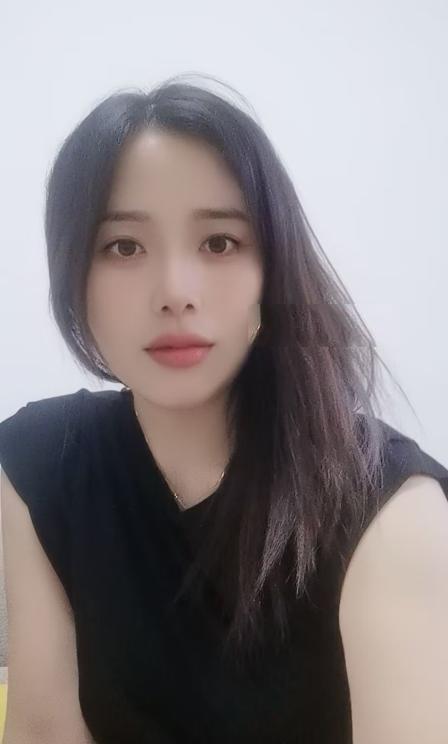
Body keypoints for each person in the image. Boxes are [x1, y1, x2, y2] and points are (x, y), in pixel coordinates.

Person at [0, 73, 447, 744]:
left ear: (273, 271)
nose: (175, 291)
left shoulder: (389, 506)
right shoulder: (41, 464)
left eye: (219, 243)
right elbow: (43, 726)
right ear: (74, 277)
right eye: (124, 246)